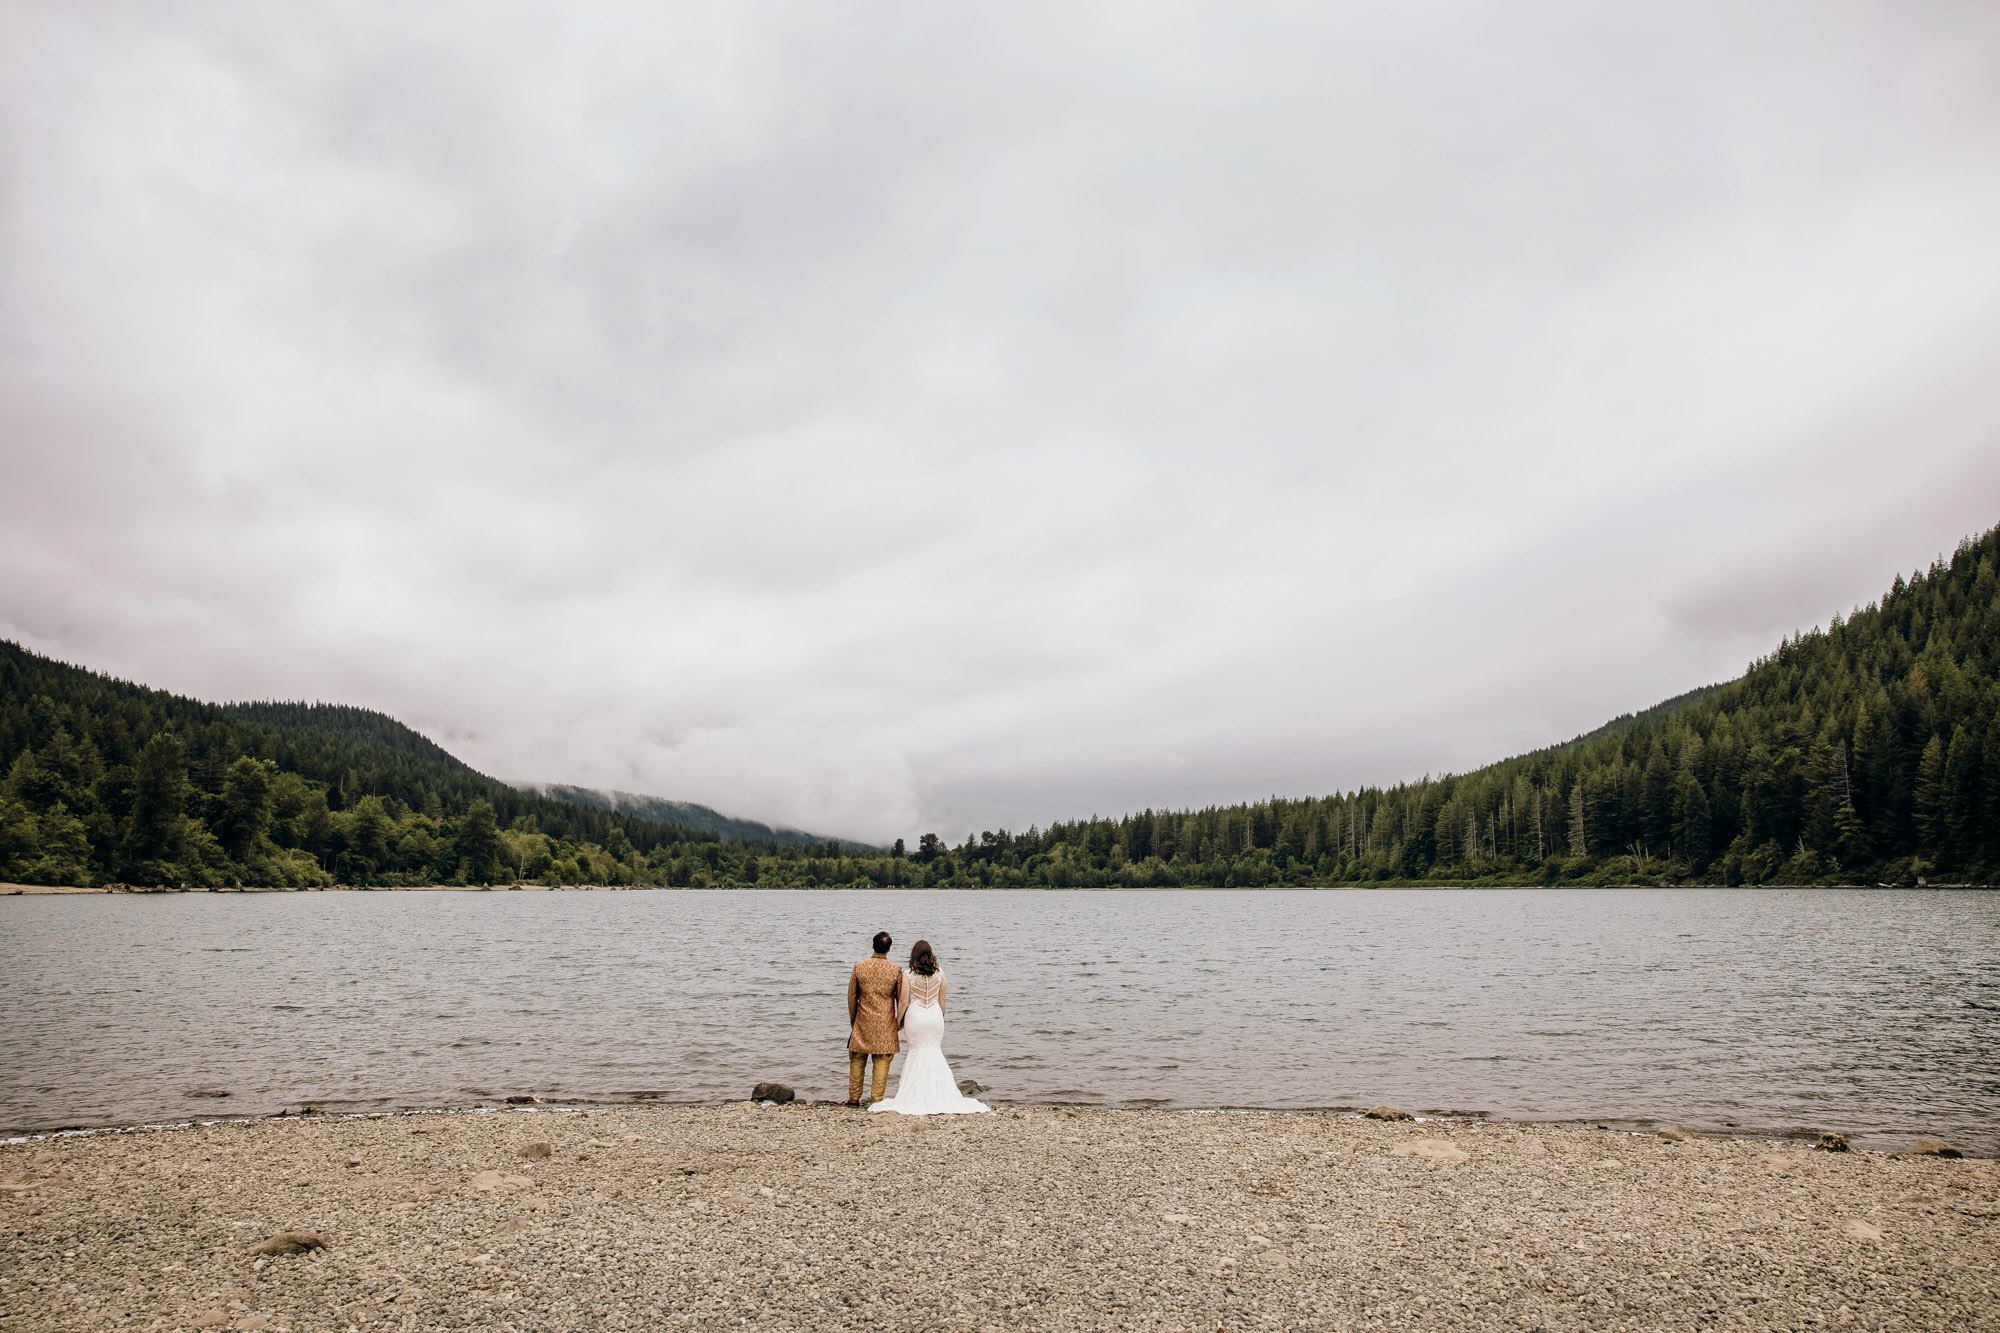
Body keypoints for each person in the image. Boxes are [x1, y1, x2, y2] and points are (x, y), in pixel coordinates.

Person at [869, 940, 989, 1116]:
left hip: (916, 1016)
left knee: (916, 1052)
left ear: (914, 955)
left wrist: (897, 1021)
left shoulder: (908, 975)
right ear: (930, 955)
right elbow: (942, 1000)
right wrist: (940, 1017)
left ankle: (915, 1093)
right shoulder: (940, 974)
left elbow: (903, 1001)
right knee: (934, 1051)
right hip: (934, 1016)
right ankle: (939, 1093)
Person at [846, 930, 903, 1107]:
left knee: (857, 1058)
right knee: (882, 1060)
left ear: (872, 945)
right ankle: (877, 1099)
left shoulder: (859, 967)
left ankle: (854, 1098)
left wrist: (853, 1020)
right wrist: (899, 1022)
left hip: (863, 1019)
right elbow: (900, 999)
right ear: (889, 949)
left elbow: (851, 997)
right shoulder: (895, 970)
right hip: (885, 1021)